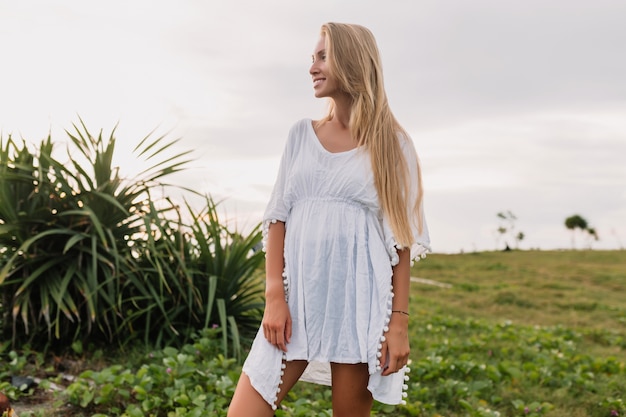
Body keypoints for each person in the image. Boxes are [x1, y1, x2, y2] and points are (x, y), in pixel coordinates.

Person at [227, 22, 430, 417]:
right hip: (297, 301)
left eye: (323, 57)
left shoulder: (393, 144)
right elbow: (277, 218)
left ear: (351, 62)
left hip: (359, 306)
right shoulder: (301, 136)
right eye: (312, 58)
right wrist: (274, 297)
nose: (312, 67)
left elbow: (400, 241)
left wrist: (399, 323)